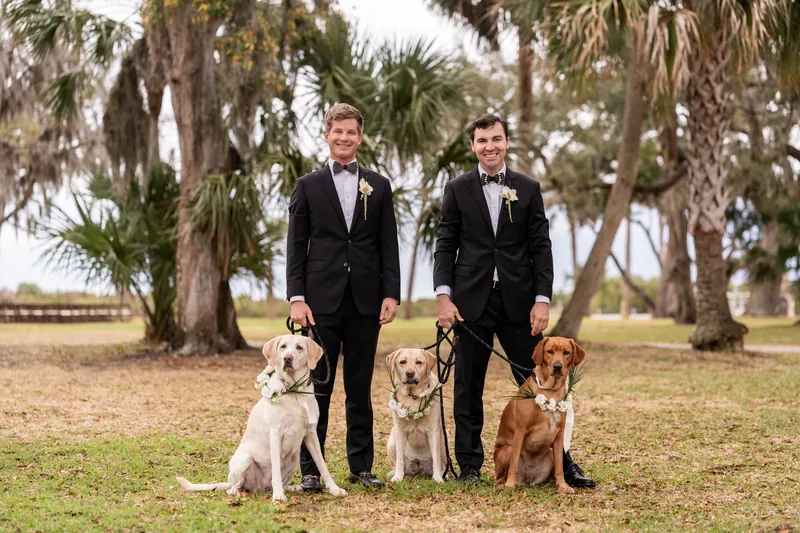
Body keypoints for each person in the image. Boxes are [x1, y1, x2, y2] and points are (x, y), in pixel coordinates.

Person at [433, 113, 595, 488]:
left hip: (519, 303)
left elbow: (541, 246)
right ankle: (471, 466)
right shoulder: (457, 189)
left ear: (507, 142)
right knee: (467, 386)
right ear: (473, 146)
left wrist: (541, 299)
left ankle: (563, 463)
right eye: (482, 140)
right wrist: (444, 295)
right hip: (469, 304)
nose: (490, 146)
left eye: (497, 139)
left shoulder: (528, 187)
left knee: (543, 383)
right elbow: (446, 244)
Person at [286, 103, 401, 490]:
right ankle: (310, 471)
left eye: (351, 132)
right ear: (327, 134)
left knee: (359, 386)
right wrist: (296, 297)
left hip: (366, 302)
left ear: (360, 136)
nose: (344, 138)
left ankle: (362, 467)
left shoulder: (379, 185)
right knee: (315, 387)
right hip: (319, 303)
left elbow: (388, 244)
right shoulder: (307, 186)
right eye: (338, 131)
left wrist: (392, 294)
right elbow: (296, 246)